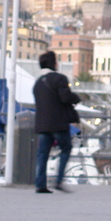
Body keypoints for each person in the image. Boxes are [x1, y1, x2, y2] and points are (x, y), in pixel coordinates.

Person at [32, 50, 80, 194]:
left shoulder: (38, 83)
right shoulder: (60, 79)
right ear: (54, 63)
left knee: (43, 154)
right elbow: (65, 97)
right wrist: (76, 98)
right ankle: (58, 180)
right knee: (65, 149)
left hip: (42, 123)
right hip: (58, 122)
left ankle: (40, 184)